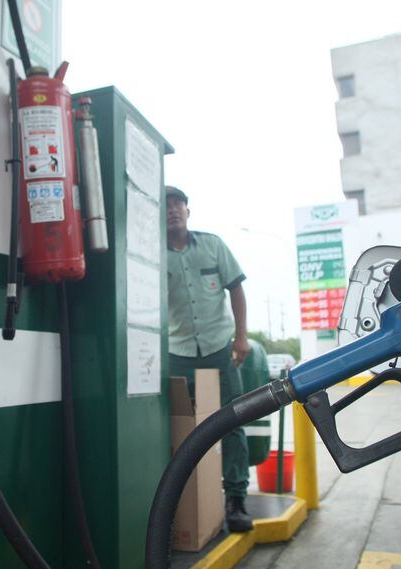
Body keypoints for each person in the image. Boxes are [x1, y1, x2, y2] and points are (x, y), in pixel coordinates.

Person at [165, 185, 254, 533]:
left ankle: (236, 500)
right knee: (177, 428)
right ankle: (181, 501)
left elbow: (236, 289)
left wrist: (241, 337)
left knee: (232, 421)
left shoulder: (213, 245)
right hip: (176, 353)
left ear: (188, 211)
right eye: (167, 205)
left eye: (179, 204)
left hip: (220, 349)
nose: (173, 210)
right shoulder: (152, 254)